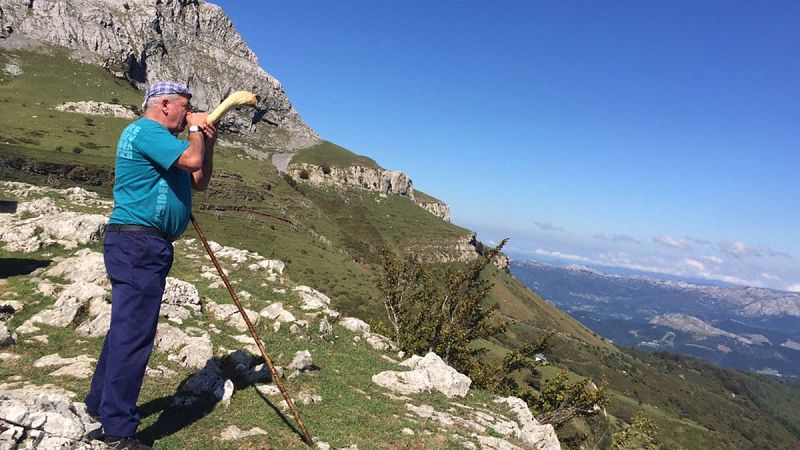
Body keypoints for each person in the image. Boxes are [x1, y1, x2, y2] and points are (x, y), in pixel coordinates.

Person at [85, 81, 217, 450]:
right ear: (165, 105)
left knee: (126, 328)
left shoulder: (167, 143)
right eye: (185, 107)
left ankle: (99, 405)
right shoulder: (146, 131)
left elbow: (200, 180)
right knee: (134, 334)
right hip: (138, 243)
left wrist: (208, 140)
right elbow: (192, 162)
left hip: (143, 244)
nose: (188, 114)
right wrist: (196, 131)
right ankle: (118, 429)